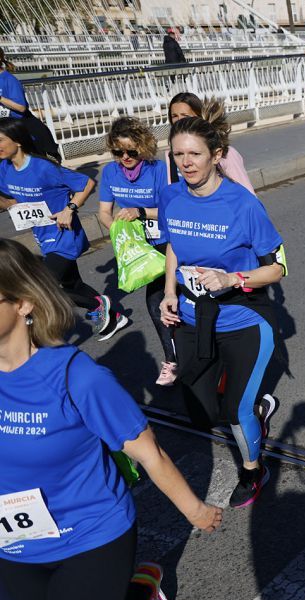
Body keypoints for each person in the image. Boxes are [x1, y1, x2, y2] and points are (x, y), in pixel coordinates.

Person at [0, 238, 222, 600]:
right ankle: (139, 588)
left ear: (24, 302)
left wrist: (195, 510)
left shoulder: (77, 377)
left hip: (91, 533)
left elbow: (148, 451)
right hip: (17, 540)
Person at [159, 103, 286, 509]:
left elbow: (278, 269)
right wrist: (168, 293)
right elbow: (173, 247)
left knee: (235, 410)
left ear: (216, 155)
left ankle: (253, 470)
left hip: (243, 317)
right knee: (201, 412)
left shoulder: (243, 205)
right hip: (194, 317)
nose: (186, 163)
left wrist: (234, 278)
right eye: (179, 155)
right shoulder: (171, 196)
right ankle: (256, 407)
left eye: (194, 154)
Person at [0, 119, 129, 341]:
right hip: (42, 236)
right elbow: (6, 198)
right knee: (73, 284)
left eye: (0, 140)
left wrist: (69, 209)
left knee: (42, 289)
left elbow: (86, 183)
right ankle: (114, 316)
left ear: (18, 141)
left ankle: (96, 305)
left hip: (65, 235)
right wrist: (10, 204)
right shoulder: (4, 169)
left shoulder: (43, 168)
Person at [97, 117, 176, 384]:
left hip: (168, 243)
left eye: (132, 151)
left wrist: (140, 212)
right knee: (156, 304)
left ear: (142, 147)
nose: (125, 157)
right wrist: (121, 234)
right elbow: (104, 213)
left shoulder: (156, 170)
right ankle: (172, 361)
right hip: (141, 249)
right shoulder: (110, 172)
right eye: (119, 152)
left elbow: (170, 211)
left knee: (183, 298)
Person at [167, 92, 256, 193]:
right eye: (174, 116)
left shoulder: (226, 154)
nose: (179, 120)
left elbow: (247, 193)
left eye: (185, 115)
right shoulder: (170, 155)